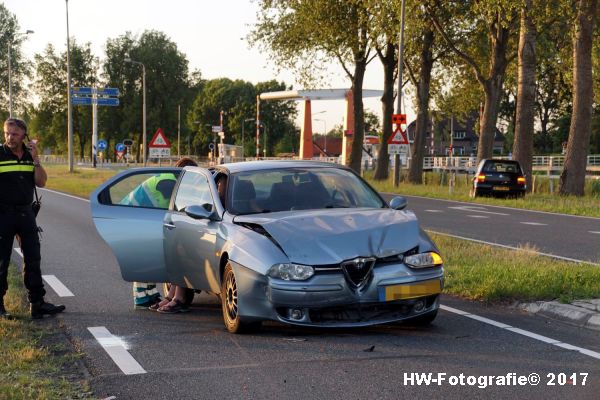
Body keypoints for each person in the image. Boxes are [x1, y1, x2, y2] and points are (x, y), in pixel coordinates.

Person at [0, 118, 65, 319]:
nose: (10, 137)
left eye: (15, 134)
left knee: (33, 258)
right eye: (7, 133)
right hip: (2, 214)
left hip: (26, 214)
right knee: (1, 261)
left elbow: (42, 182)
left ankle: (37, 303)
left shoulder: (30, 156)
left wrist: (36, 159)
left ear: (24, 136)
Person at [123, 157, 198, 311]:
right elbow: (174, 209)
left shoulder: (169, 178)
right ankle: (142, 299)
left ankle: (150, 296)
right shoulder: (168, 183)